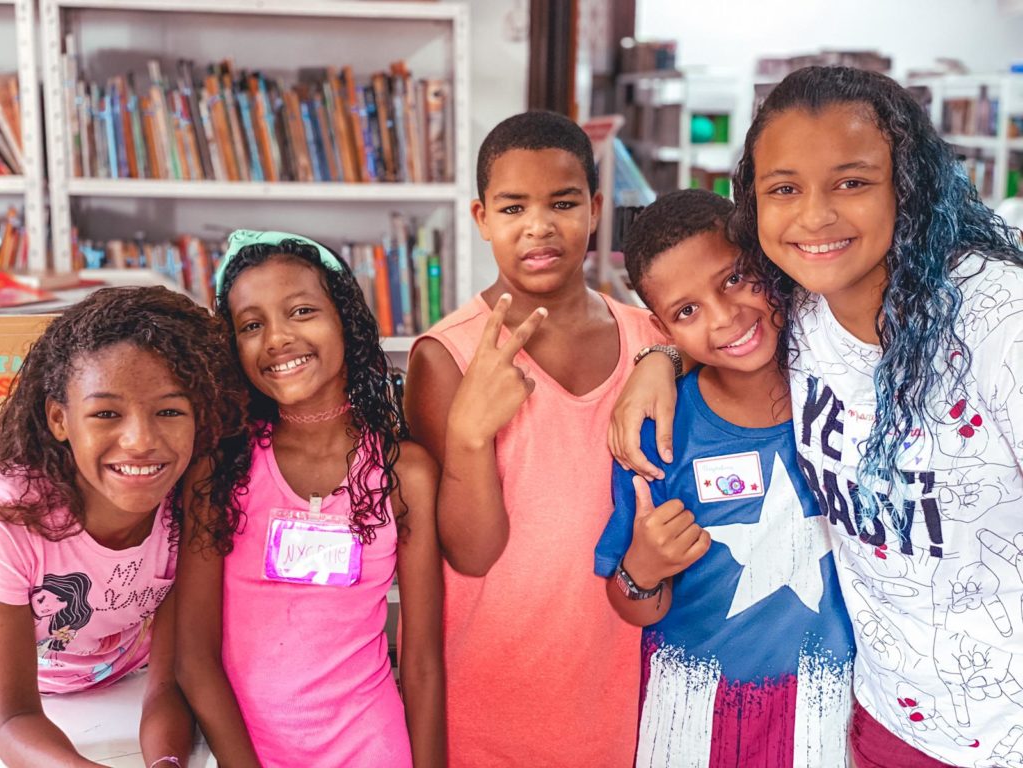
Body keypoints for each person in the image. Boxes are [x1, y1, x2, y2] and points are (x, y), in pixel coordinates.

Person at [610, 66, 1023, 767]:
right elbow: (720, 325)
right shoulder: (802, 314)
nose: (814, 217)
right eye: (784, 189)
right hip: (880, 722)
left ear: (910, 182)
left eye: (852, 182)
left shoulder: (1000, 322)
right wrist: (657, 360)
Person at [404, 110, 665, 767]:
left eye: (563, 202)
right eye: (513, 206)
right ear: (481, 217)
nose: (539, 225)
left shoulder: (653, 340)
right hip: (489, 708)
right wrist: (467, 435)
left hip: (626, 703)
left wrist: (665, 360)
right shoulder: (446, 357)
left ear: (596, 208)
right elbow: (467, 554)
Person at [594, 189, 855, 767]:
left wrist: (659, 357)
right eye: (686, 312)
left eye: (735, 279)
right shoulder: (656, 433)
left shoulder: (847, 387)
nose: (723, 317)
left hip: (831, 706)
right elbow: (632, 602)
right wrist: (642, 567)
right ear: (661, 326)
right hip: (694, 706)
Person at [175, 230, 444, 768]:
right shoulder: (220, 468)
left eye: (301, 311)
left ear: (345, 318)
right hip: (244, 750)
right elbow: (193, 660)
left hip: (372, 747)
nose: (276, 338)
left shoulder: (403, 472)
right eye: (252, 325)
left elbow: (421, 661)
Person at [0, 286, 249, 768]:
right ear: (59, 418)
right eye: (107, 413)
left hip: (125, 683)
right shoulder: (12, 519)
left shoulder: (193, 503)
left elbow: (169, 681)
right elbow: (11, 717)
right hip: (34, 702)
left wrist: (165, 764)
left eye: (170, 411)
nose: (139, 441)